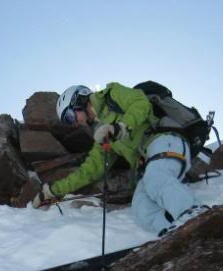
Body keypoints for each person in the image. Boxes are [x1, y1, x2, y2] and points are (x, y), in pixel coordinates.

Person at [34, 82, 199, 235]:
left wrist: (121, 127)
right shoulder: (102, 135)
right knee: (141, 209)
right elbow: (89, 171)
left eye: (70, 117)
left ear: (79, 100)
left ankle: (195, 216)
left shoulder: (112, 94)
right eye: (68, 123)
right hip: (149, 163)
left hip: (165, 141)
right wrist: (52, 191)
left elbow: (141, 102)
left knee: (156, 178)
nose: (74, 124)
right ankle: (175, 233)